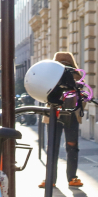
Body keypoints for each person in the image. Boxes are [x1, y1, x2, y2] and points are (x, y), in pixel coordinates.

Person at [38, 52, 84, 189]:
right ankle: (71, 178)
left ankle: (52, 179)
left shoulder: (68, 75)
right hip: (68, 115)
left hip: (57, 114)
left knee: (53, 147)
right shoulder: (76, 75)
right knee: (71, 146)